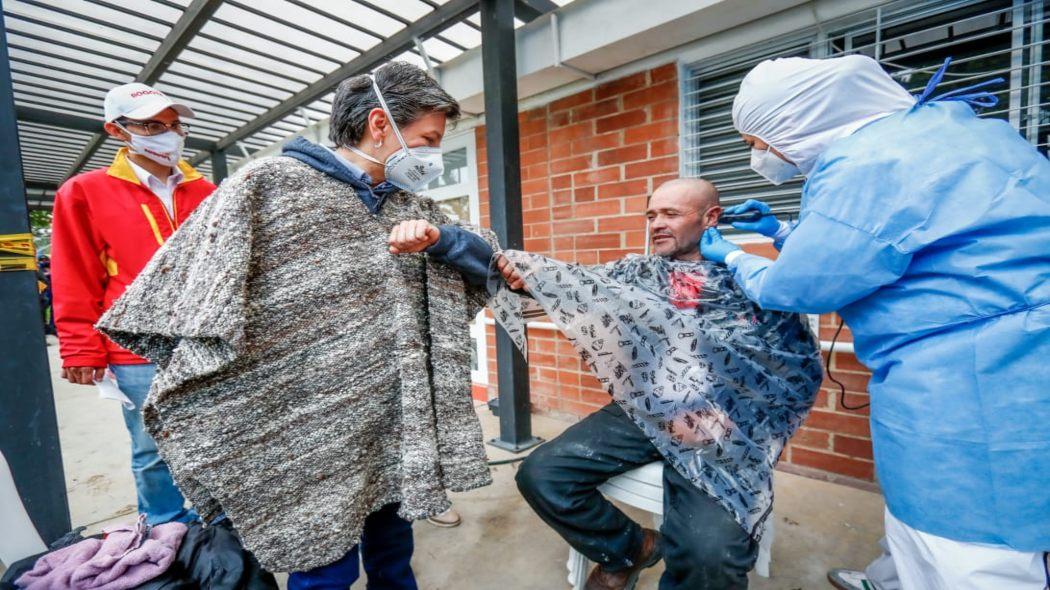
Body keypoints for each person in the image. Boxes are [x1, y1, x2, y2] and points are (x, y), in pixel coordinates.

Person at [96, 62, 494, 589]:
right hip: (299, 422)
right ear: (381, 124)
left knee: (394, 549)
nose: (430, 154)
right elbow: (176, 290)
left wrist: (441, 241)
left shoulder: (409, 204)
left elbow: (487, 261)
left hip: (391, 418)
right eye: (426, 139)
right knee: (322, 562)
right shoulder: (268, 187)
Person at [700, 55, 1050, 589]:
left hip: (979, 377)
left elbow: (802, 285)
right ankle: (890, 579)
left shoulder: (869, 164)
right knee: (920, 510)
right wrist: (781, 230)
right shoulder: (955, 135)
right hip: (1009, 351)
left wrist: (733, 256)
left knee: (970, 538)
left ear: (792, 124)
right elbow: (883, 244)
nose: (756, 159)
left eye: (755, 142)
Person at [468, 178, 823, 590]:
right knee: (542, 474)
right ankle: (630, 549)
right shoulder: (637, 272)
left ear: (711, 218)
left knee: (711, 556)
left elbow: (792, 371)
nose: (656, 223)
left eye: (671, 214)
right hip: (646, 409)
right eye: (651, 214)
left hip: (726, 427)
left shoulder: (753, 281)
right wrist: (526, 277)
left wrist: (729, 420)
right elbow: (573, 284)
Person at [50, 83, 214, 525]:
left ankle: (219, 527)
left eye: (174, 124)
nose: (169, 134)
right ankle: (164, 530)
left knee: (217, 436)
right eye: (152, 125)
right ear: (117, 131)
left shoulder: (207, 191)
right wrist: (81, 346)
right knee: (151, 447)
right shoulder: (84, 191)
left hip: (205, 340)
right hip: (136, 346)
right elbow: (74, 274)